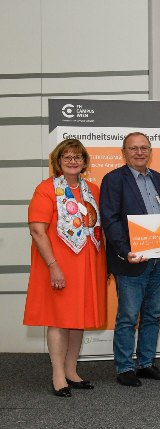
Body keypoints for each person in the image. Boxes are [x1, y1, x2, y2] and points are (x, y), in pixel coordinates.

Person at [24, 139, 105, 397]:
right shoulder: (46, 189)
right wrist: (53, 265)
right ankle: (58, 375)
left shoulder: (92, 189)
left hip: (86, 264)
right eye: (67, 157)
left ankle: (72, 371)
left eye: (77, 157)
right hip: (58, 263)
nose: (73, 161)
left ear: (84, 162)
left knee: (77, 319)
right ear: (58, 162)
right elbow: (37, 230)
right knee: (59, 319)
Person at [100, 132, 160, 386]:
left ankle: (145, 363)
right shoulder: (113, 179)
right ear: (124, 152)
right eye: (134, 148)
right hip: (132, 259)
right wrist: (124, 251)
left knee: (153, 314)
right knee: (128, 316)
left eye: (144, 148)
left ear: (150, 150)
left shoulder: (158, 177)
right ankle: (124, 368)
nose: (140, 152)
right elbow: (110, 221)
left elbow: (157, 215)